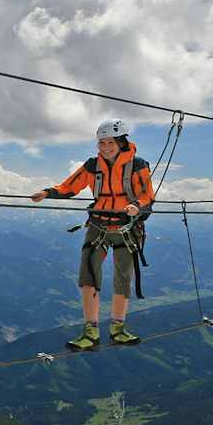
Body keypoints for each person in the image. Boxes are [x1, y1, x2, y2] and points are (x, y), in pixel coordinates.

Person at [31, 118, 155, 351]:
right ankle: (91, 331)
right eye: (101, 143)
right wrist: (46, 193)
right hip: (98, 225)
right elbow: (70, 186)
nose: (105, 147)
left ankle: (118, 328)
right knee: (87, 274)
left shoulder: (138, 165)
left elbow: (148, 195)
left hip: (127, 228)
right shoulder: (92, 165)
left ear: (121, 142)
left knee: (122, 277)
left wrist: (137, 206)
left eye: (110, 142)